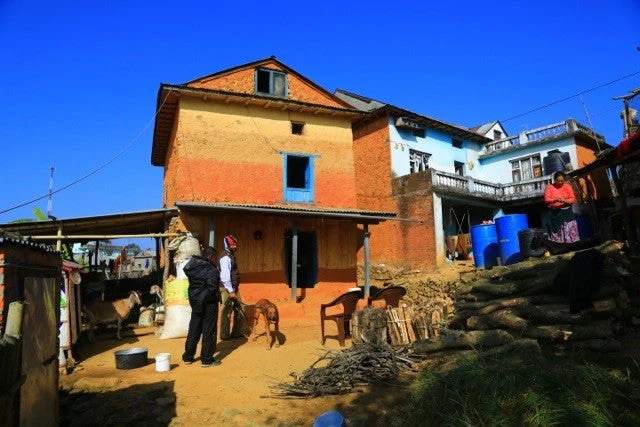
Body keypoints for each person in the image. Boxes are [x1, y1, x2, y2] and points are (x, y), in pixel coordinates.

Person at [182, 246, 221, 367]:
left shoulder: (192, 266)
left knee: (194, 328)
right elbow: (212, 288)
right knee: (208, 330)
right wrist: (212, 298)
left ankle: (188, 357)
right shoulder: (211, 269)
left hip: (195, 301)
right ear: (211, 256)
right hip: (208, 303)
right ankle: (206, 359)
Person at [219, 234, 244, 341]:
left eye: (235, 244)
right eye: (233, 245)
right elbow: (224, 276)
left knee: (240, 309)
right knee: (227, 311)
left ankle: (236, 333)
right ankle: (225, 335)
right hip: (227, 288)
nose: (235, 246)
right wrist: (230, 291)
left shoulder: (231, 255)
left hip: (233, 288)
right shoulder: (225, 257)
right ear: (228, 246)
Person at [544, 171, 580, 243]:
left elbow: (572, 199)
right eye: (558, 181)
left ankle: (572, 245)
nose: (560, 182)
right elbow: (547, 200)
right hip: (556, 213)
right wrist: (555, 199)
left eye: (562, 181)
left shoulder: (567, 186)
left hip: (568, 213)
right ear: (554, 180)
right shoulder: (549, 187)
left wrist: (564, 200)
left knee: (570, 229)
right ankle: (560, 246)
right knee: (557, 230)